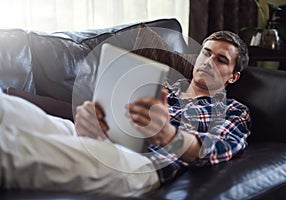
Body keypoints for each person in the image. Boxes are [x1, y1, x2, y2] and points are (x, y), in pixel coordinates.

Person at [0, 31, 251, 197]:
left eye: (220, 60)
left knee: (14, 148)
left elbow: (214, 150)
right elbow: (112, 117)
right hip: (98, 140)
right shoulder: (160, 88)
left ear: (233, 76)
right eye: (206, 53)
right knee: (6, 108)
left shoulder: (232, 110)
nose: (208, 62)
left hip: (142, 165)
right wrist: (91, 119)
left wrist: (169, 135)